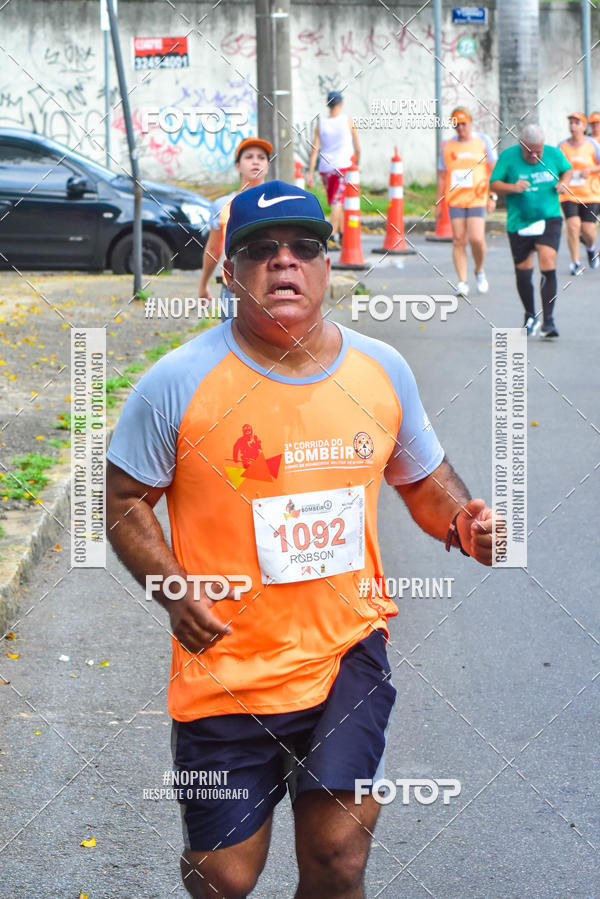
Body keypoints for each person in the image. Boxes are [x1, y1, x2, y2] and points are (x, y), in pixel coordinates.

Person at [106, 180, 498, 899]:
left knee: (338, 853)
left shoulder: (380, 370)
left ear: (325, 267)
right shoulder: (176, 382)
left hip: (345, 648)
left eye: (304, 247)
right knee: (222, 876)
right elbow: (124, 499)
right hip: (226, 665)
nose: (283, 262)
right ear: (230, 270)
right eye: (260, 250)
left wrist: (460, 523)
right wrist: (172, 588)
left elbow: (422, 477)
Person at [490, 124, 572, 339]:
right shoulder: (508, 157)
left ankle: (549, 321)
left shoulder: (554, 154)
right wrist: (512, 187)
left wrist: (564, 183)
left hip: (549, 218)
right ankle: (529, 314)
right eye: (529, 151)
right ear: (521, 145)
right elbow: (494, 184)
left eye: (538, 151)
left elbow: (567, 170)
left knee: (548, 261)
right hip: (520, 222)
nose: (535, 155)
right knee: (524, 270)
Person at [198, 136, 272, 304]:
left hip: (272, 288)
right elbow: (213, 248)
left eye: (261, 158)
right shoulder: (222, 205)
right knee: (231, 331)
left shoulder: (280, 202)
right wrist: (203, 285)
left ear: (267, 165)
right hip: (233, 289)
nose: (256, 162)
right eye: (249, 157)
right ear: (238, 165)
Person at [436, 107, 497, 297]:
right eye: (456, 124)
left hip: (477, 198)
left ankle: (479, 270)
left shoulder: (482, 141)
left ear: (470, 123)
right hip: (455, 199)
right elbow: (442, 176)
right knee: (458, 240)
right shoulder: (447, 146)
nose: (460, 128)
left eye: (463, 123)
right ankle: (462, 281)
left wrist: (492, 195)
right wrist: (438, 203)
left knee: (476, 238)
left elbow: (493, 169)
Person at [306, 90, 360, 249]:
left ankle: (344, 235)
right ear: (340, 104)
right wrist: (357, 161)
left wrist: (310, 173)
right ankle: (331, 237)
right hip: (343, 166)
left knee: (336, 202)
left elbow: (315, 149)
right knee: (338, 202)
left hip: (325, 168)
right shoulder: (348, 121)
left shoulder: (321, 123)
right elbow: (357, 146)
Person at [557, 112, 600, 274]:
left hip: (590, 193)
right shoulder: (562, 146)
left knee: (587, 230)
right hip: (569, 194)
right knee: (573, 226)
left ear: (584, 127)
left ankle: (590, 248)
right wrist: (560, 181)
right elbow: (555, 167)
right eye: (571, 123)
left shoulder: (593, 145)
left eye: (577, 123)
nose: (573, 126)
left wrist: (590, 169)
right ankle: (575, 262)